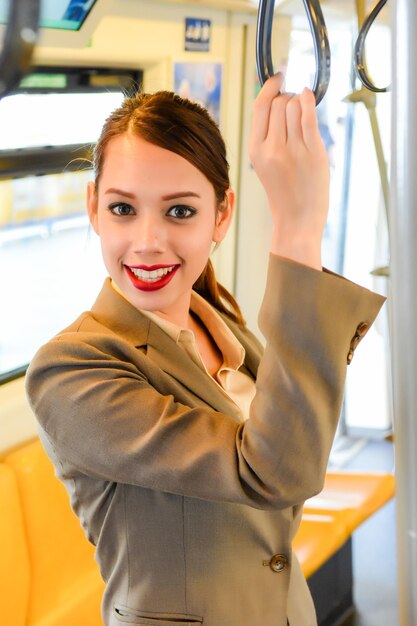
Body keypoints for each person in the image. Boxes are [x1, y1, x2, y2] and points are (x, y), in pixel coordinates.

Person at [26, 73, 385, 626]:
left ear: (221, 214)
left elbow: (298, 431)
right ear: (94, 206)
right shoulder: (71, 370)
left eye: (179, 211)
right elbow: (273, 472)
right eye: (123, 209)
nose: (147, 241)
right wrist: (296, 225)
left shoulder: (224, 323)